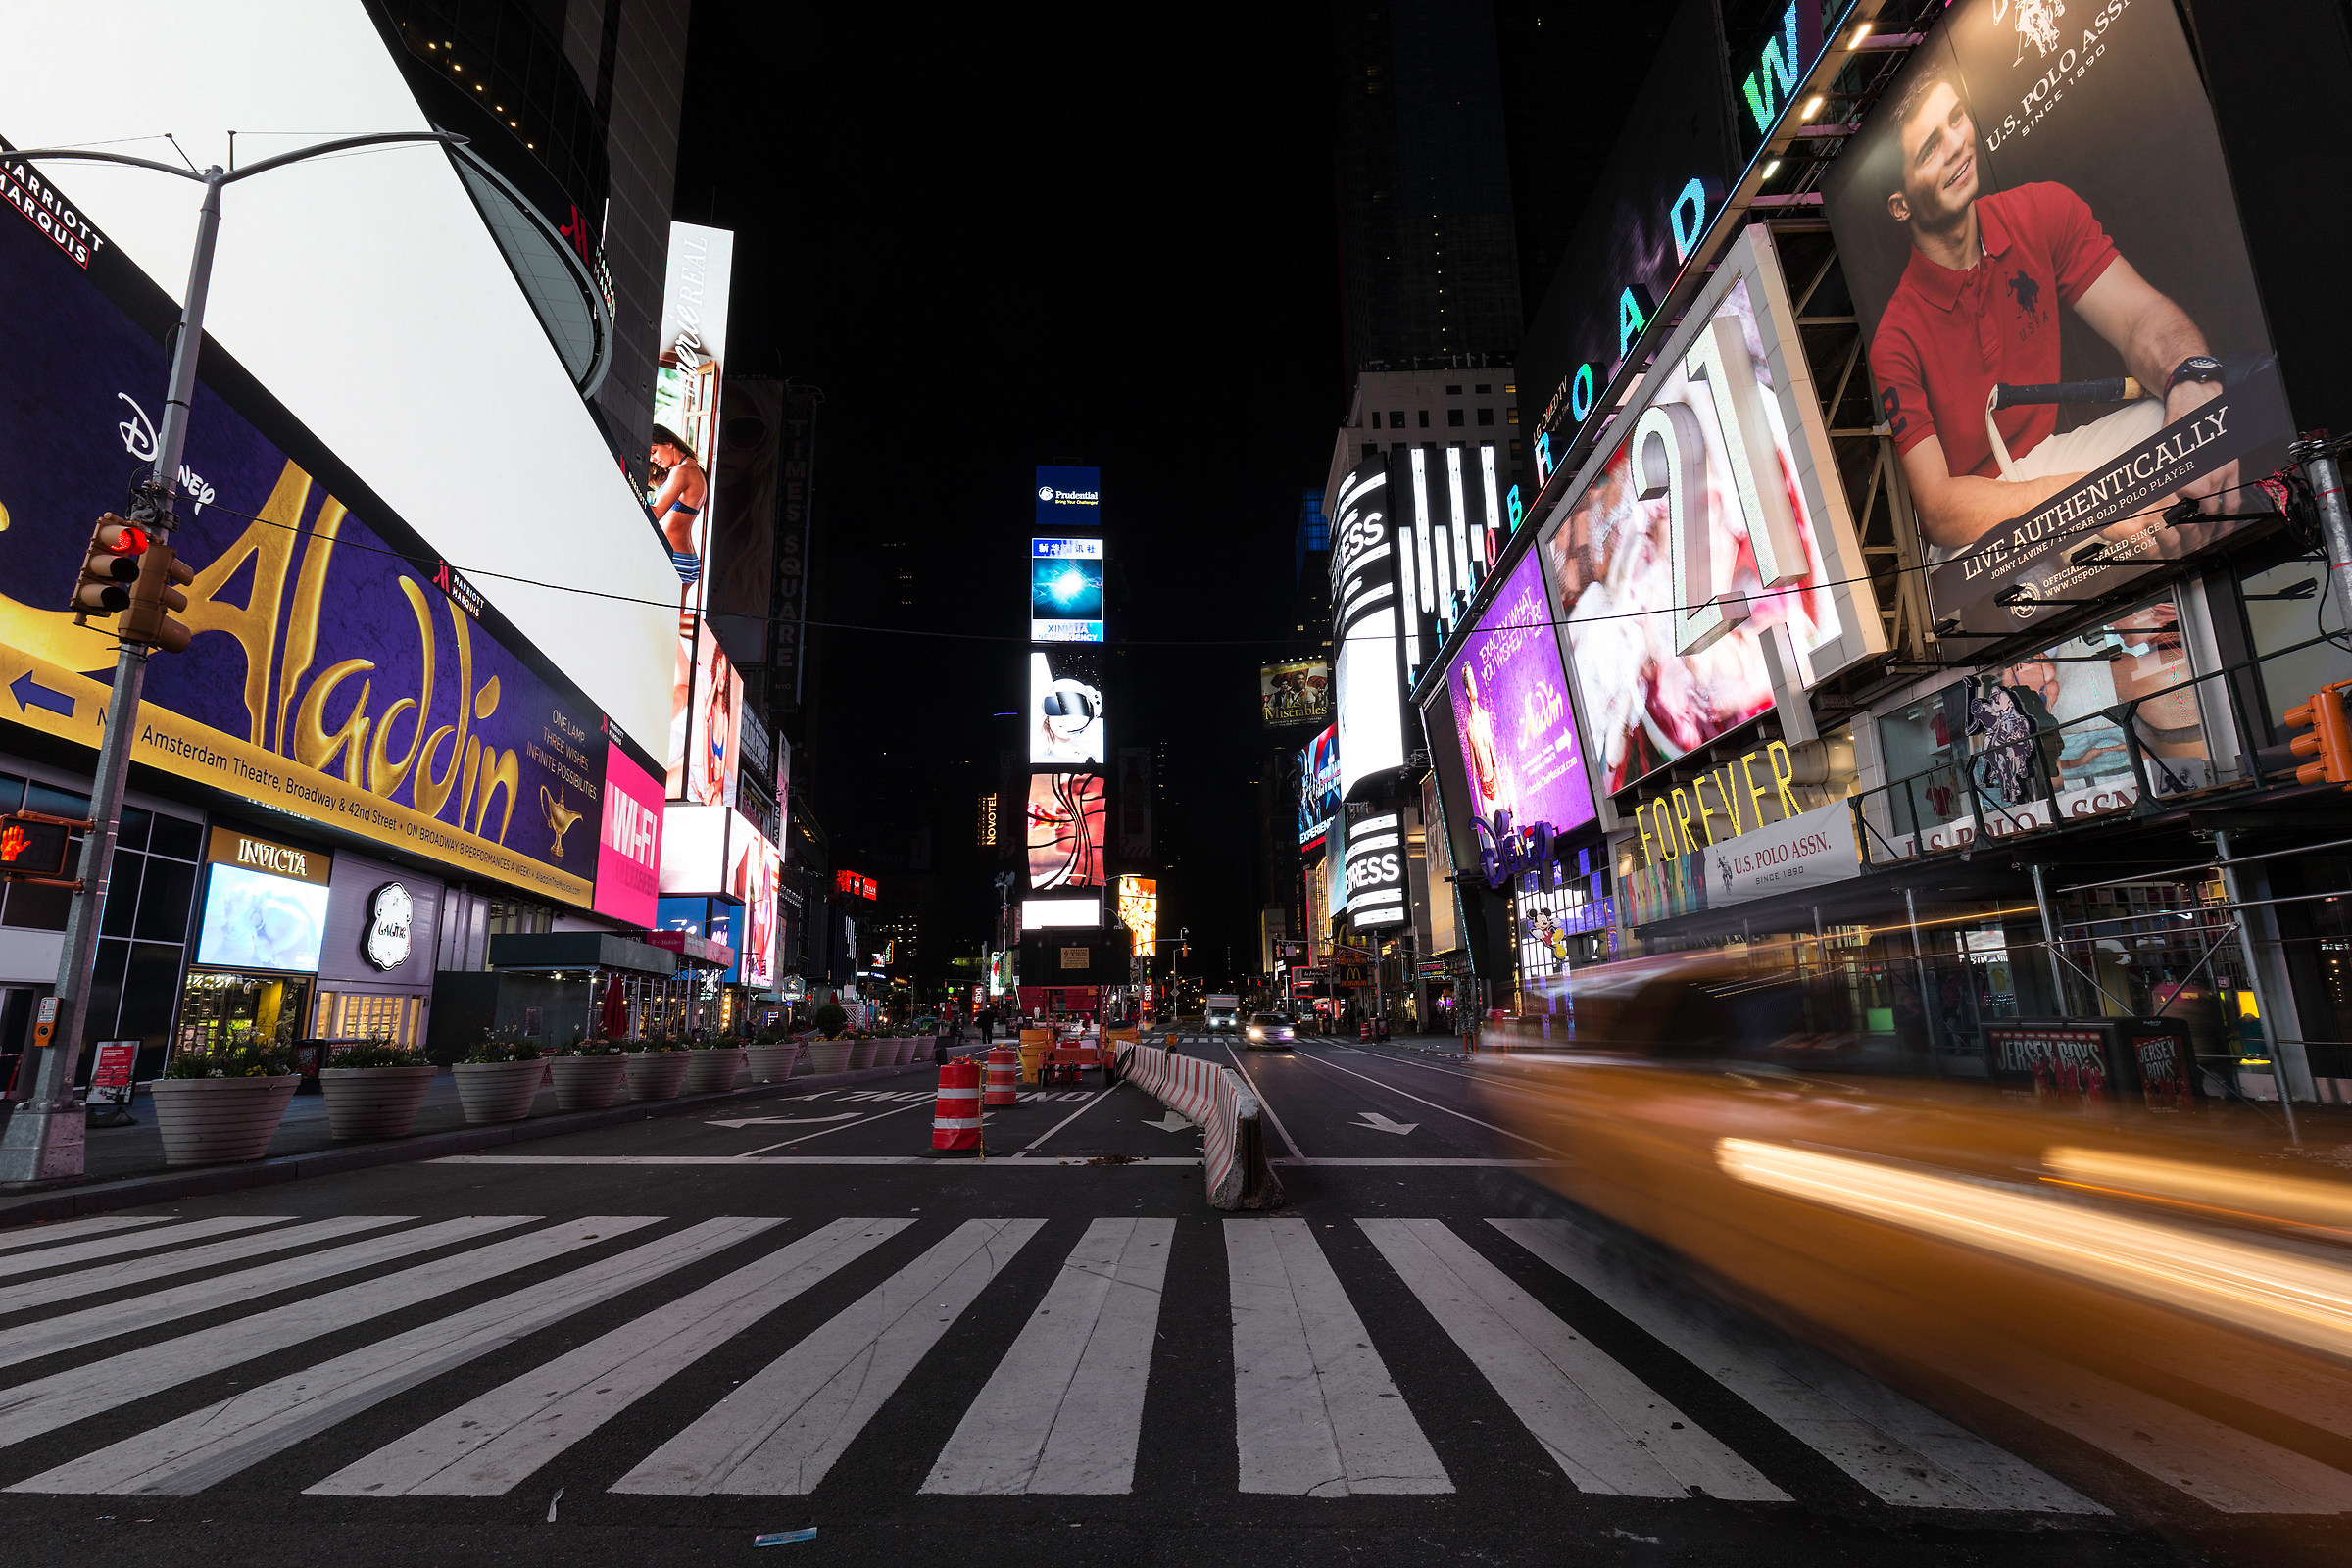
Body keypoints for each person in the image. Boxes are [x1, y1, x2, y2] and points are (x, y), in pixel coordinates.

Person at [1870, 66, 2236, 558]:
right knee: (2012, 557)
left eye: (1956, 118)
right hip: (1975, 517)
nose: (1956, 144)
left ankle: (2189, 616)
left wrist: (2191, 379)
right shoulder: (1895, 337)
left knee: (2179, 424)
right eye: (1930, 148)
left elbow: (2138, 319)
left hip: (2052, 462)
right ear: (1901, 206)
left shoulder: (2042, 210)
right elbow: (1938, 511)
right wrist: (2092, 501)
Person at [648, 425, 709, 584]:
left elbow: (656, 514)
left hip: (673, 556)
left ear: (669, 443)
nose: (652, 459)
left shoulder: (681, 471)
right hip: (688, 560)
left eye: (654, 452)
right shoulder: (695, 470)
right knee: (673, 610)